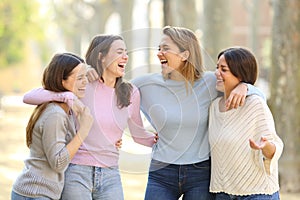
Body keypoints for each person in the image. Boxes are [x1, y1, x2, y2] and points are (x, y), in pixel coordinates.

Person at [86, 26, 265, 199]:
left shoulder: (211, 82)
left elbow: (258, 96)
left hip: (201, 173)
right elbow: (108, 91)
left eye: (165, 48)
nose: (158, 53)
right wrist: (88, 70)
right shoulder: (145, 84)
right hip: (161, 172)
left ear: (184, 54)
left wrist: (245, 87)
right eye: (158, 48)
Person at [22, 34, 158, 200]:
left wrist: (164, 140)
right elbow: (30, 96)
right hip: (76, 171)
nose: (125, 57)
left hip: (110, 173)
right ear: (101, 56)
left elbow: (139, 135)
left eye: (126, 52)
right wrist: (68, 97)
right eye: (119, 52)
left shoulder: (131, 93)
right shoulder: (83, 83)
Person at [11, 53, 93, 200]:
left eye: (85, 76)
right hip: (34, 194)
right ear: (62, 81)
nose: (85, 82)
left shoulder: (63, 110)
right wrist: (84, 130)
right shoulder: (56, 114)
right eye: (80, 78)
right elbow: (58, 163)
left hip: (39, 193)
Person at [208, 47, 283, 200]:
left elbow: (275, 147)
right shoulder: (214, 107)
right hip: (222, 192)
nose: (217, 73)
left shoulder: (255, 104)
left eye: (224, 69)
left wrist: (266, 147)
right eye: (217, 68)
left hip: (257, 192)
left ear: (240, 75)